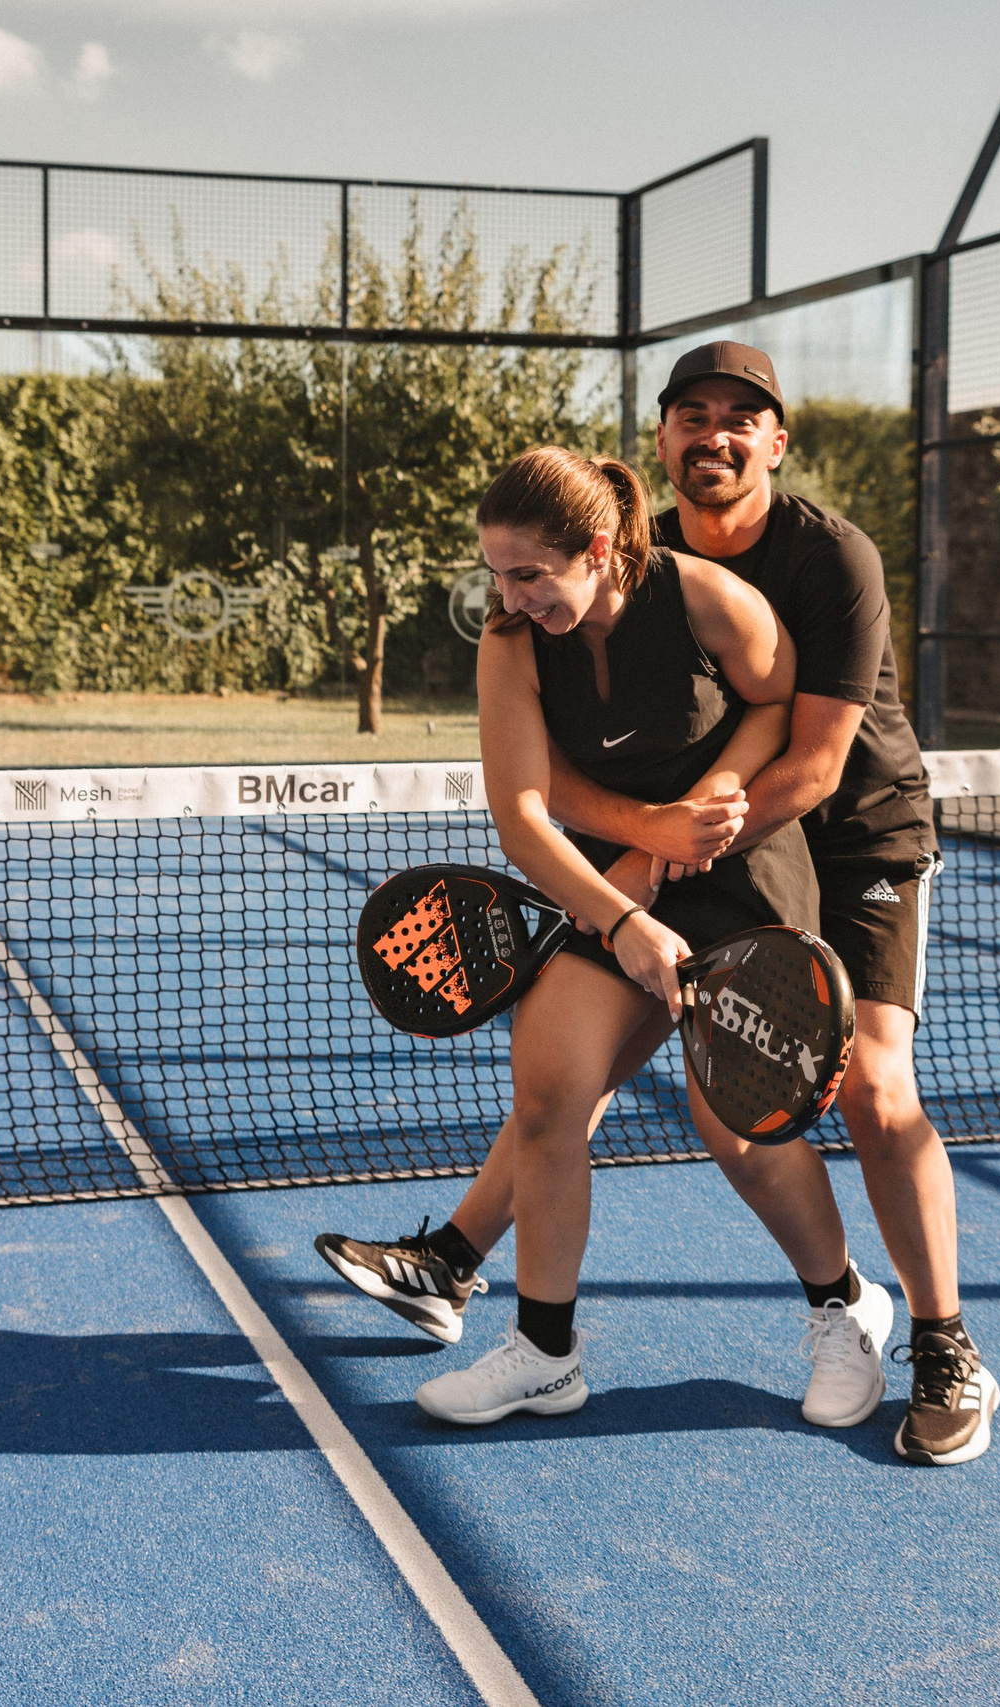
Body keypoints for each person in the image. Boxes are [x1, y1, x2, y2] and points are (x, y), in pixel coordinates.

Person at [321, 344, 996, 1465]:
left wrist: (675, 843)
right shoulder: (590, 579)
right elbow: (534, 799)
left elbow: (807, 755)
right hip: (662, 857)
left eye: (741, 417)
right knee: (559, 1080)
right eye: (692, 414)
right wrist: (635, 875)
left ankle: (927, 1336)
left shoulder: (817, 561)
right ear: (664, 438)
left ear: (775, 441)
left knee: (849, 1099)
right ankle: (516, 1323)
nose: (714, 434)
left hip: (845, 828)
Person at [396, 445, 892, 1429]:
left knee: (736, 1125)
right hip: (609, 881)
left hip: (743, 874)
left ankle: (844, 1306)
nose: (510, 596)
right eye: (497, 574)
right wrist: (626, 906)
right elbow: (522, 815)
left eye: (529, 574)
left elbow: (778, 703)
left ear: (595, 550)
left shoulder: (710, 600)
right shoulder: (509, 639)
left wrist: (712, 797)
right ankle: (545, 1352)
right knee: (549, 1094)